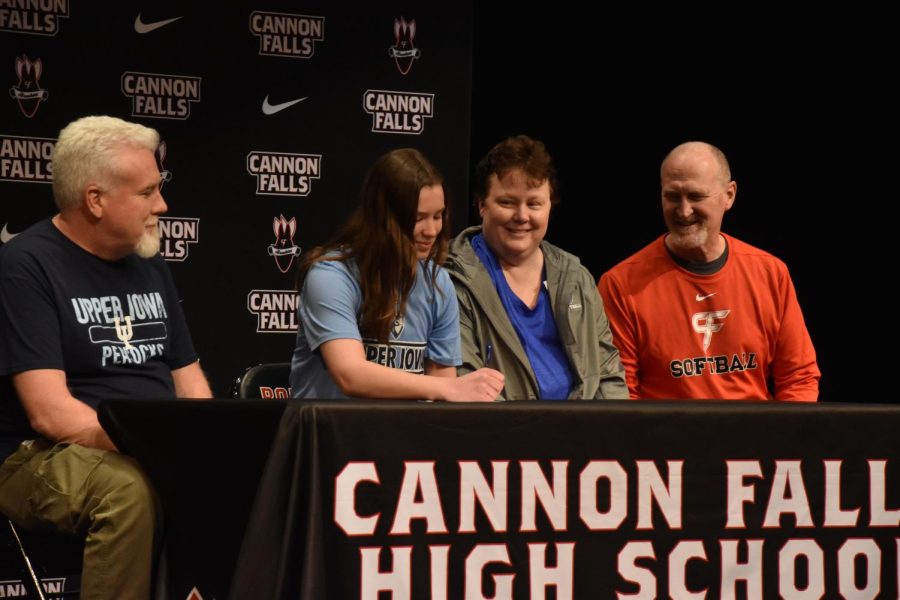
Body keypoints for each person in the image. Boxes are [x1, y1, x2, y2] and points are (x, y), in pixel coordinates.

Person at [0, 115, 213, 599]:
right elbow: (49, 413)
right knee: (129, 490)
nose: (163, 205)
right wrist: (156, 448)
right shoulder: (26, 266)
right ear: (95, 200)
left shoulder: (148, 260)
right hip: (37, 456)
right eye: (146, 193)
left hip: (144, 445)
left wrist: (204, 445)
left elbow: (189, 378)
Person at [598, 141, 820, 401]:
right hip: (666, 440)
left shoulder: (770, 273)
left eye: (696, 197)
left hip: (757, 440)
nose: (683, 211)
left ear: (729, 195)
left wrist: (784, 440)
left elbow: (798, 377)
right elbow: (622, 396)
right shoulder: (621, 284)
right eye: (672, 196)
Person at [290, 148, 504, 401]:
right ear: (383, 218)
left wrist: (450, 390)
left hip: (403, 436)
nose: (432, 230)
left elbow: (441, 389)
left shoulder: (438, 282)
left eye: (438, 216)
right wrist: (449, 389)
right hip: (331, 435)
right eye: (418, 218)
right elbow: (351, 375)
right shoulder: (331, 277)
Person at [445, 135, 628, 400]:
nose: (521, 216)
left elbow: (608, 377)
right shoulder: (451, 279)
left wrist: (601, 438)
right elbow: (464, 381)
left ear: (549, 207)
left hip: (580, 437)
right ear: (481, 205)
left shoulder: (576, 278)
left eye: (534, 203)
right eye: (507, 202)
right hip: (501, 437)